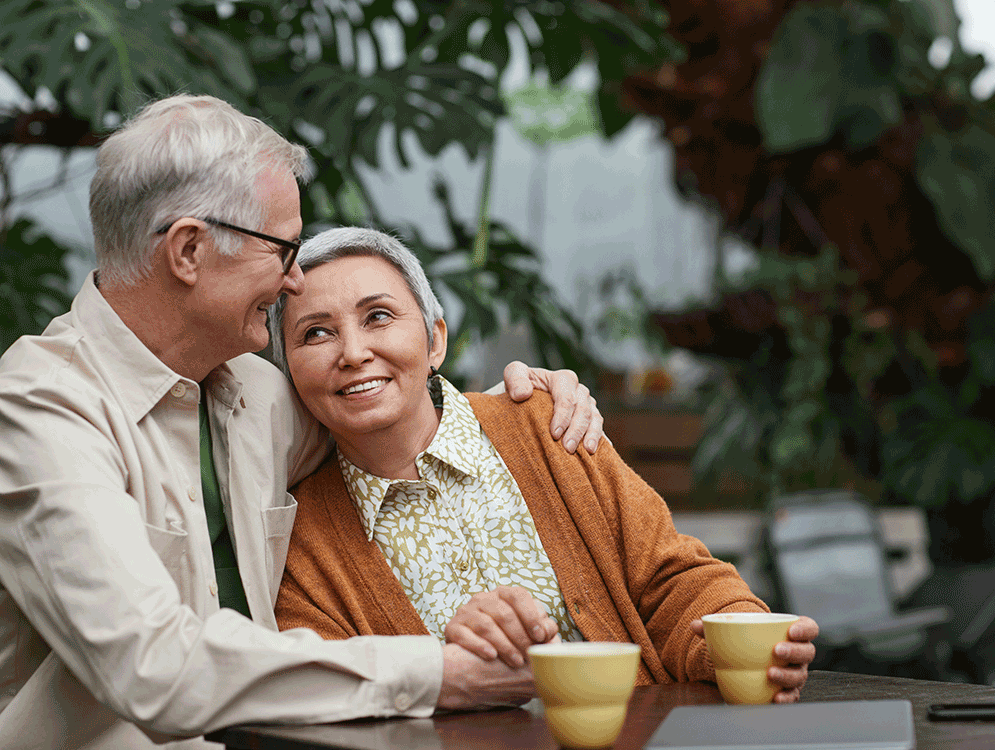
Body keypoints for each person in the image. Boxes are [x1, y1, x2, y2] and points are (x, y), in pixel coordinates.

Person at [0, 94, 606, 750]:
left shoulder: (258, 393)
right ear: (189, 251)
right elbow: (151, 666)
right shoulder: (37, 411)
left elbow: (393, 420)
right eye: (283, 249)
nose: (294, 280)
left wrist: (517, 408)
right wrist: (436, 674)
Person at [270, 227, 820, 701]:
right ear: (288, 369)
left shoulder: (547, 423)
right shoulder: (300, 539)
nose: (352, 352)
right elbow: (330, 695)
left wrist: (735, 640)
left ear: (435, 340)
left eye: (379, 316)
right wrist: (443, 666)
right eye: (315, 333)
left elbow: (669, 577)